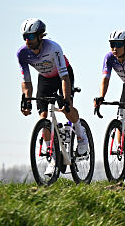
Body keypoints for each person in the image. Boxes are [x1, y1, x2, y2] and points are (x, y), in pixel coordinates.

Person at [17, 18, 89, 156]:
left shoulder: (53, 48)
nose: (27, 40)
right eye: (25, 36)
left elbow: (64, 77)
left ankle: (81, 135)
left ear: (40, 35)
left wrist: (66, 99)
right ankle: (53, 157)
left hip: (63, 76)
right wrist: (26, 99)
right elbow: (26, 81)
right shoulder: (22, 54)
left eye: (31, 36)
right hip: (44, 78)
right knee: (43, 117)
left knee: (66, 108)